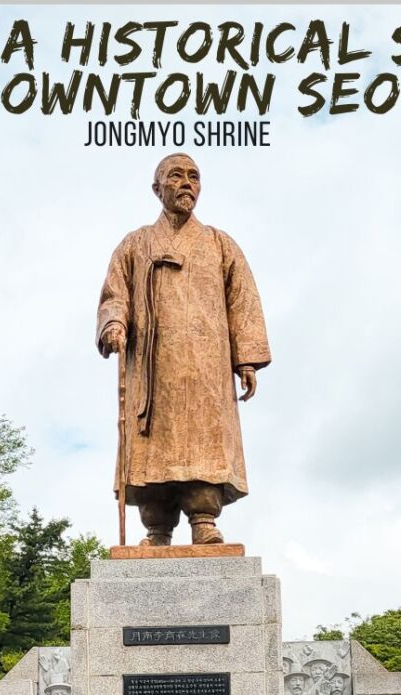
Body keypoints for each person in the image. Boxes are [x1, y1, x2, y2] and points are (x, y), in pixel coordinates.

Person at [97, 153, 271, 546]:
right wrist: (113, 324)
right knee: (153, 447)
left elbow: (242, 300)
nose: (187, 183)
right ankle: (157, 528)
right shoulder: (136, 243)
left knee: (203, 439)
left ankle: (204, 519)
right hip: (152, 366)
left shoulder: (218, 243)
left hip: (206, 365)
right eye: (176, 176)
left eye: (194, 177)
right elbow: (115, 293)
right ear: (157, 188)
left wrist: (246, 358)